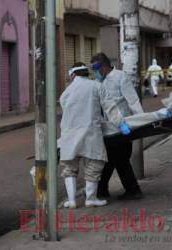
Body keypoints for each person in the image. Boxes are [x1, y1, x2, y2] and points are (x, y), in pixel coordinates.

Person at [59, 62, 131, 209]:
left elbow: (65, 109)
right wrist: (121, 124)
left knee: (70, 168)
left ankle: (72, 201)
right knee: (93, 166)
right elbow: (110, 108)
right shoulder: (97, 86)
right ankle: (91, 199)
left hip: (69, 134)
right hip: (90, 133)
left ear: (73, 75)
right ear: (87, 73)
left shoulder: (67, 91)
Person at [91, 52, 144, 200]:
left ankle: (131, 191)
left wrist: (142, 121)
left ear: (102, 66)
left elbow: (133, 101)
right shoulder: (98, 82)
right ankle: (105, 190)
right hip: (108, 129)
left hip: (123, 127)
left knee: (119, 159)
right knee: (111, 159)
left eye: (95, 69)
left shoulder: (120, 77)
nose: (94, 73)